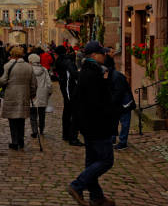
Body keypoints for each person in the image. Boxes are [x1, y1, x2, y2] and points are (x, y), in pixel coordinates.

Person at [67, 41, 116, 206]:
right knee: (106, 160)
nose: (105, 55)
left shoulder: (88, 71)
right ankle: (77, 184)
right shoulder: (93, 74)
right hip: (97, 125)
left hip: (88, 125)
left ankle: (96, 197)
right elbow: (98, 102)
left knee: (92, 161)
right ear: (94, 55)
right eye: (102, 53)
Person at [0, 46, 37, 150]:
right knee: (21, 119)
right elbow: (33, 83)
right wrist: (32, 94)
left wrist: (0, 83)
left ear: (12, 54)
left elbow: (3, 80)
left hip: (11, 95)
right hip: (24, 95)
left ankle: (14, 141)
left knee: (12, 119)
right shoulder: (29, 67)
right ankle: (21, 140)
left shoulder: (7, 66)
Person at [54, 45, 82, 146]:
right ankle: (72, 138)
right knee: (74, 114)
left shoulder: (60, 61)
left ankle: (66, 134)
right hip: (69, 90)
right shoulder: (67, 61)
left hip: (65, 89)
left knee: (67, 112)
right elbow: (74, 74)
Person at [28, 53, 52, 138]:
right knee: (42, 113)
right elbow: (49, 83)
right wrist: (49, 92)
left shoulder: (29, 70)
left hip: (32, 94)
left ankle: (34, 131)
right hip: (43, 93)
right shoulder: (44, 70)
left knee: (33, 114)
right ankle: (41, 129)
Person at [110, 68, 135, 151]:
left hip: (125, 102)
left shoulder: (116, 77)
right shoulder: (112, 75)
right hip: (118, 102)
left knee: (124, 122)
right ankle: (113, 138)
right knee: (114, 120)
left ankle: (123, 142)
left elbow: (119, 92)